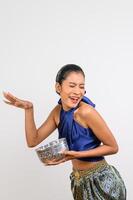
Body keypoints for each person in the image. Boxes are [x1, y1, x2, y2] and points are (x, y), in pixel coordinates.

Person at [3, 64, 126, 200]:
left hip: (102, 181)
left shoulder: (86, 112)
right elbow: (33, 140)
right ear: (58, 87)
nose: (78, 91)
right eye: (72, 85)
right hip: (79, 182)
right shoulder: (58, 112)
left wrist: (77, 154)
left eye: (81, 86)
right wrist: (28, 109)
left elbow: (113, 147)